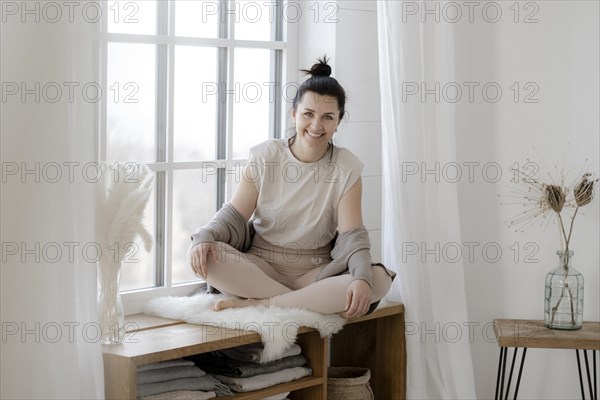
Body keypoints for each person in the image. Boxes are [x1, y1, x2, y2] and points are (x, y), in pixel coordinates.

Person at [189, 57, 394, 318]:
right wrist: (205, 235)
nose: (316, 126)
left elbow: (352, 237)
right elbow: (233, 216)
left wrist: (362, 278)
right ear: (294, 113)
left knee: (377, 278)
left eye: (328, 117)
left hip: (315, 273)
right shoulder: (265, 156)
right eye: (308, 114)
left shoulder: (347, 167)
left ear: (339, 121)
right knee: (205, 255)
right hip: (260, 267)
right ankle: (301, 303)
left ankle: (263, 304)